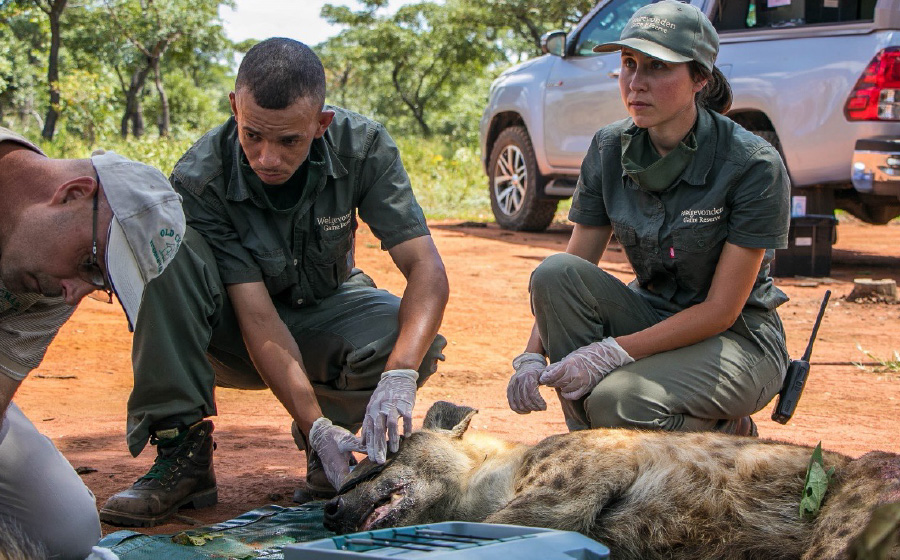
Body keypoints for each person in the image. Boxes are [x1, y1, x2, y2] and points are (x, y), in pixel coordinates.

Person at [99, 38, 449, 527]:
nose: (267, 158)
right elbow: (258, 318)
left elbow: (426, 269)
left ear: (321, 124)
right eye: (252, 136)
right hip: (229, 337)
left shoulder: (362, 147)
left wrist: (401, 374)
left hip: (324, 306)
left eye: (290, 142)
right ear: (235, 109)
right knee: (166, 249)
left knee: (409, 339)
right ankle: (184, 454)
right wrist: (314, 426)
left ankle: (334, 443)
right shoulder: (202, 178)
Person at [507, 1, 791, 437]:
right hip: (652, 315)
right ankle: (594, 454)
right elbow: (572, 268)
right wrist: (532, 355)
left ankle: (723, 432)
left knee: (618, 399)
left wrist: (609, 353)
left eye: (658, 67)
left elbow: (720, 311)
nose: (636, 83)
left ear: (700, 78)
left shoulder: (752, 163)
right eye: (628, 63)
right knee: (555, 273)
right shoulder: (608, 147)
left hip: (736, 339)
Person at [0, 127, 185, 558]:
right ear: (71, 194)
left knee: (66, 533)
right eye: (90, 263)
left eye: (100, 281)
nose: (73, 293)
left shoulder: (51, 281)